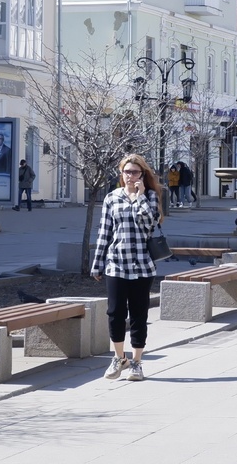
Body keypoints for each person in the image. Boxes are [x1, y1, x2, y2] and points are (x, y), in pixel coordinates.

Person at [90, 153, 165, 382]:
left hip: (142, 265)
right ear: (121, 174)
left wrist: (140, 197)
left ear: (143, 175)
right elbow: (105, 232)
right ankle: (118, 357)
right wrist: (97, 263)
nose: (130, 176)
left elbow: (149, 225)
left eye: (135, 172)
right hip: (116, 264)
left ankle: (137, 362)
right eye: (126, 172)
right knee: (114, 313)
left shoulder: (150, 197)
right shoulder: (112, 198)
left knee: (139, 315)